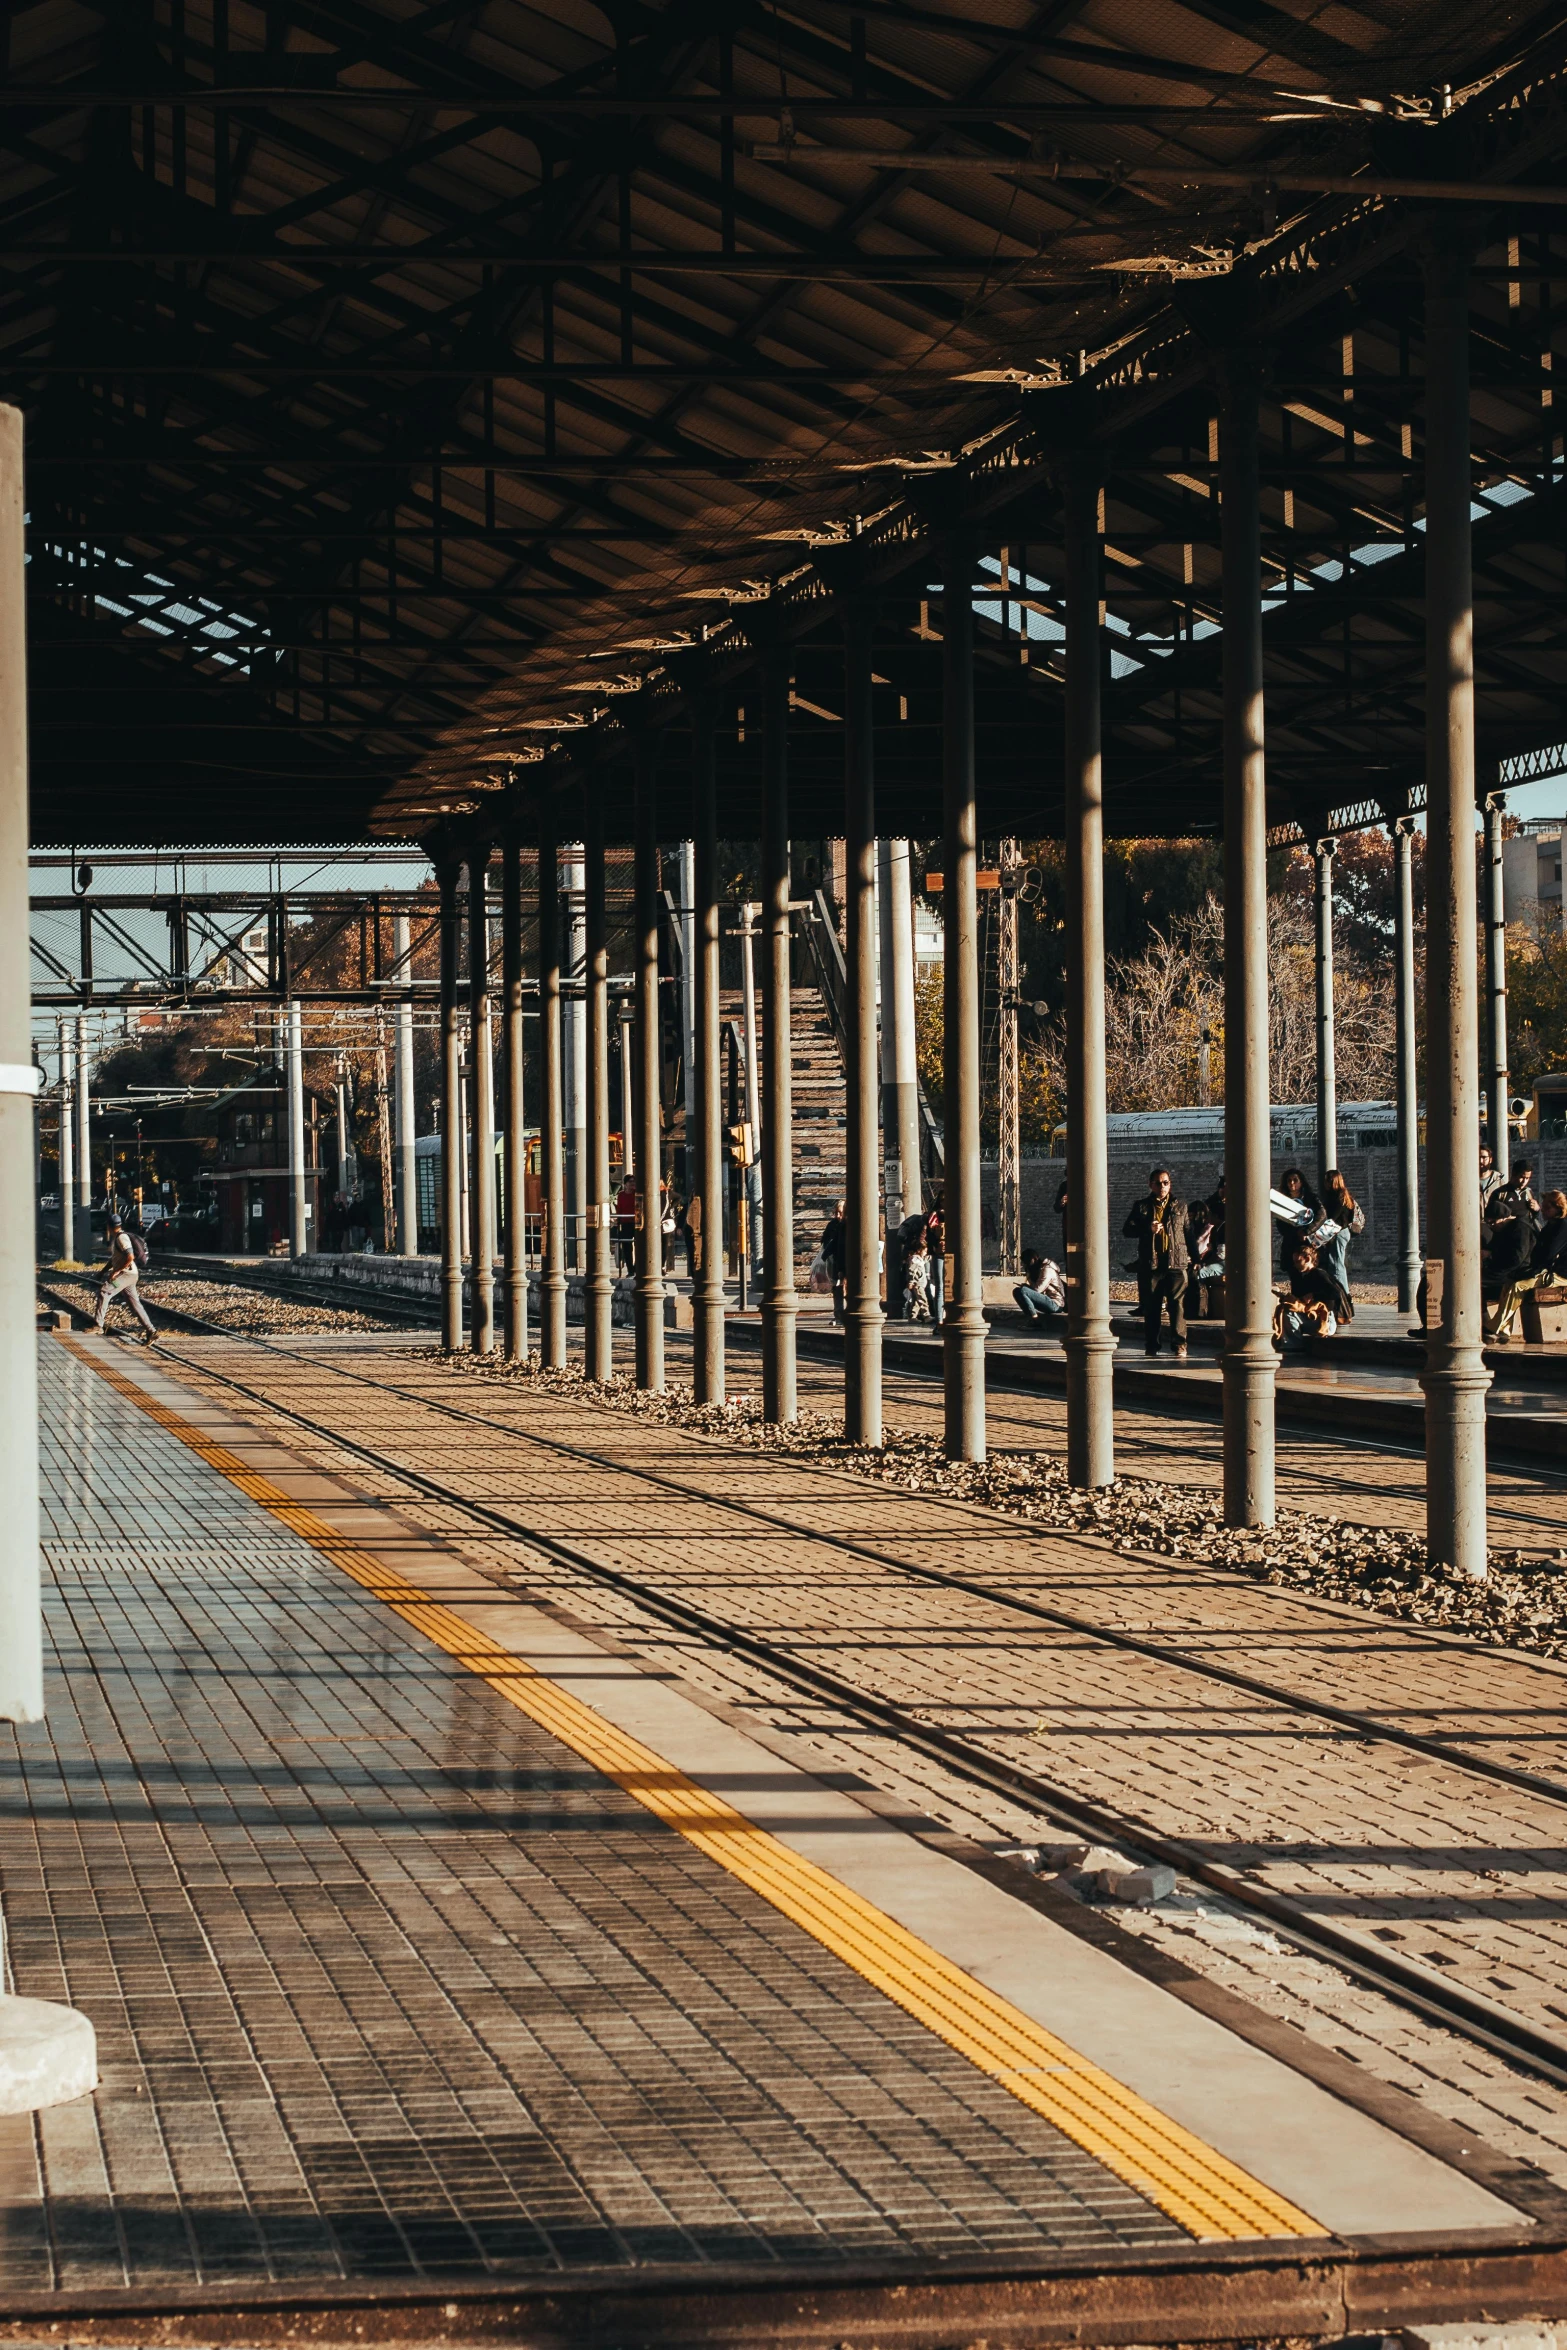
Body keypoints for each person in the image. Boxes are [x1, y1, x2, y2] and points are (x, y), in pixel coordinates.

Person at [1123, 1166, 1188, 1359]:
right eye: (1158, 1183)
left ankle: (1179, 1345)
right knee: (1152, 1307)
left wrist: (1195, 1258)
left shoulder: (1180, 1206)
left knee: (1177, 1305)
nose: (1162, 1186)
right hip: (1151, 1264)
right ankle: (1152, 1345)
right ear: (1150, 1185)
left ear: (1170, 1185)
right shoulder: (1141, 1206)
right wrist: (1147, 1228)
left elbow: (1188, 1233)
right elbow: (1127, 1230)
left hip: (1175, 1262)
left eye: (1166, 1183)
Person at [1489, 1189, 1567, 1342]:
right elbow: (1538, 1254)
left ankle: (1497, 1328)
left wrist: (1534, 1270)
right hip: (1547, 1270)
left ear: (1558, 1208)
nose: (1543, 1211)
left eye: (1547, 1208)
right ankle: (1504, 1330)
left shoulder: (1562, 1227)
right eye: (1543, 1207)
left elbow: (1548, 1254)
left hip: (1560, 1275)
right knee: (1509, 1283)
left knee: (1519, 1286)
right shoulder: (1548, 1227)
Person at [1274, 1236, 1348, 1350]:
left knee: (1289, 1314)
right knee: (1286, 1311)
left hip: (1325, 1319)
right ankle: (1291, 1344)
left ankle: (1293, 1345)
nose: (1295, 1265)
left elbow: (1335, 1293)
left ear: (1307, 1259)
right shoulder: (1298, 1276)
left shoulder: (1319, 1274)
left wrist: (1314, 1295)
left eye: (1298, 1261)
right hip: (1309, 1316)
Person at [92, 1214, 156, 1343]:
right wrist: (103, 1271)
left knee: (104, 1291)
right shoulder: (118, 1238)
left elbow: (130, 1257)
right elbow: (114, 1259)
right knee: (134, 1304)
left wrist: (117, 1272)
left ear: (109, 1226)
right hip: (130, 1275)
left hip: (126, 1274)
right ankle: (151, 1331)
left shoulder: (121, 1238)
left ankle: (98, 1326)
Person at [1318, 1170, 1365, 1312]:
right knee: (1336, 1263)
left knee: (1336, 1264)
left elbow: (1332, 1217)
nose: (1325, 1183)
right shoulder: (1344, 1196)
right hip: (1342, 1233)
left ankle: (1344, 1297)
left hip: (1337, 1233)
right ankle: (1342, 1295)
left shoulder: (1336, 1197)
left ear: (1332, 1181)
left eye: (1327, 1180)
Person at [1187, 1177, 1225, 1317]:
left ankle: (1198, 1310)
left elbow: (1220, 1255)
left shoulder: (1219, 1229)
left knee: (1196, 1274)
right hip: (1216, 1261)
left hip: (1223, 1264)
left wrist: (1202, 1261)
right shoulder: (1215, 1229)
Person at [1275, 1167, 1322, 1271]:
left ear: (1301, 1182)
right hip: (1291, 1242)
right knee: (1293, 1271)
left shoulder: (1311, 1198)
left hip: (1309, 1242)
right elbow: (1280, 1222)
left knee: (1309, 1270)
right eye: (1289, 1180)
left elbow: (1321, 1215)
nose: (1292, 1183)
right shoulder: (1283, 1200)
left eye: (1295, 1180)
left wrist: (1307, 1231)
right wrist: (1294, 1233)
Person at [1013, 1248, 1066, 1325]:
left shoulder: (1047, 1270)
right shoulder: (1035, 1270)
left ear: (1034, 1259)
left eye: (1027, 1262)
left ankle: (1035, 1320)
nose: (1026, 1265)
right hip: (1044, 1300)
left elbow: (1038, 1290)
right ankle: (1031, 1317)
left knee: (1023, 1290)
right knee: (1017, 1291)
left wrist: (1026, 1287)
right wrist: (1029, 1275)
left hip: (1055, 1304)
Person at [819, 1200, 847, 1323]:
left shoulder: (846, 1225)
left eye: (840, 1213)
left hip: (846, 1261)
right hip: (836, 1262)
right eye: (835, 1213)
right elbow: (826, 1242)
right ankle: (839, 1315)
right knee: (837, 1289)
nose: (837, 1216)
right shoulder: (833, 1225)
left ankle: (845, 1314)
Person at [925, 1192, 946, 1331]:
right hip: (939, 1254)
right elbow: (928, 1236)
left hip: (952, 1254)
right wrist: (935, 1245)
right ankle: (939, 1321)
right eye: (943, 1200)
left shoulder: (958, 1213)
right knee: (940, 1287)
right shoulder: (934, 1215)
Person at [903, 1231, 931, 1321]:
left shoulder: (920, 1259)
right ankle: (926, 1315)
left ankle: (912, 1316)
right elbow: (912, 1271)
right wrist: (911, 1281)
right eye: (925, 1251)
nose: (926, 1253)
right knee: (923, 1300)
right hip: (917, 1283)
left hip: (920, 1283)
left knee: (916, 1301)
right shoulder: (915, 1259)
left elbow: (926, 1259)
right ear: (919, 1250)